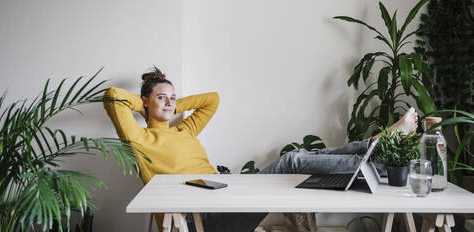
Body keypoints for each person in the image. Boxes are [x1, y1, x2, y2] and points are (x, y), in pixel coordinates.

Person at [103, 67, 418, 232]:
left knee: (299, 163)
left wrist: (170, 104)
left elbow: (212, 99)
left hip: (224, 199)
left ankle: (374, 146)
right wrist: (146, 105)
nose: (171, 102)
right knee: (291, 162)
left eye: (174, 97)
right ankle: (376, 149)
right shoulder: (140, 139)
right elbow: (112, 96)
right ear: (145, 102)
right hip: (199, 221)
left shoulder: (185, 129)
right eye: (163, 98)